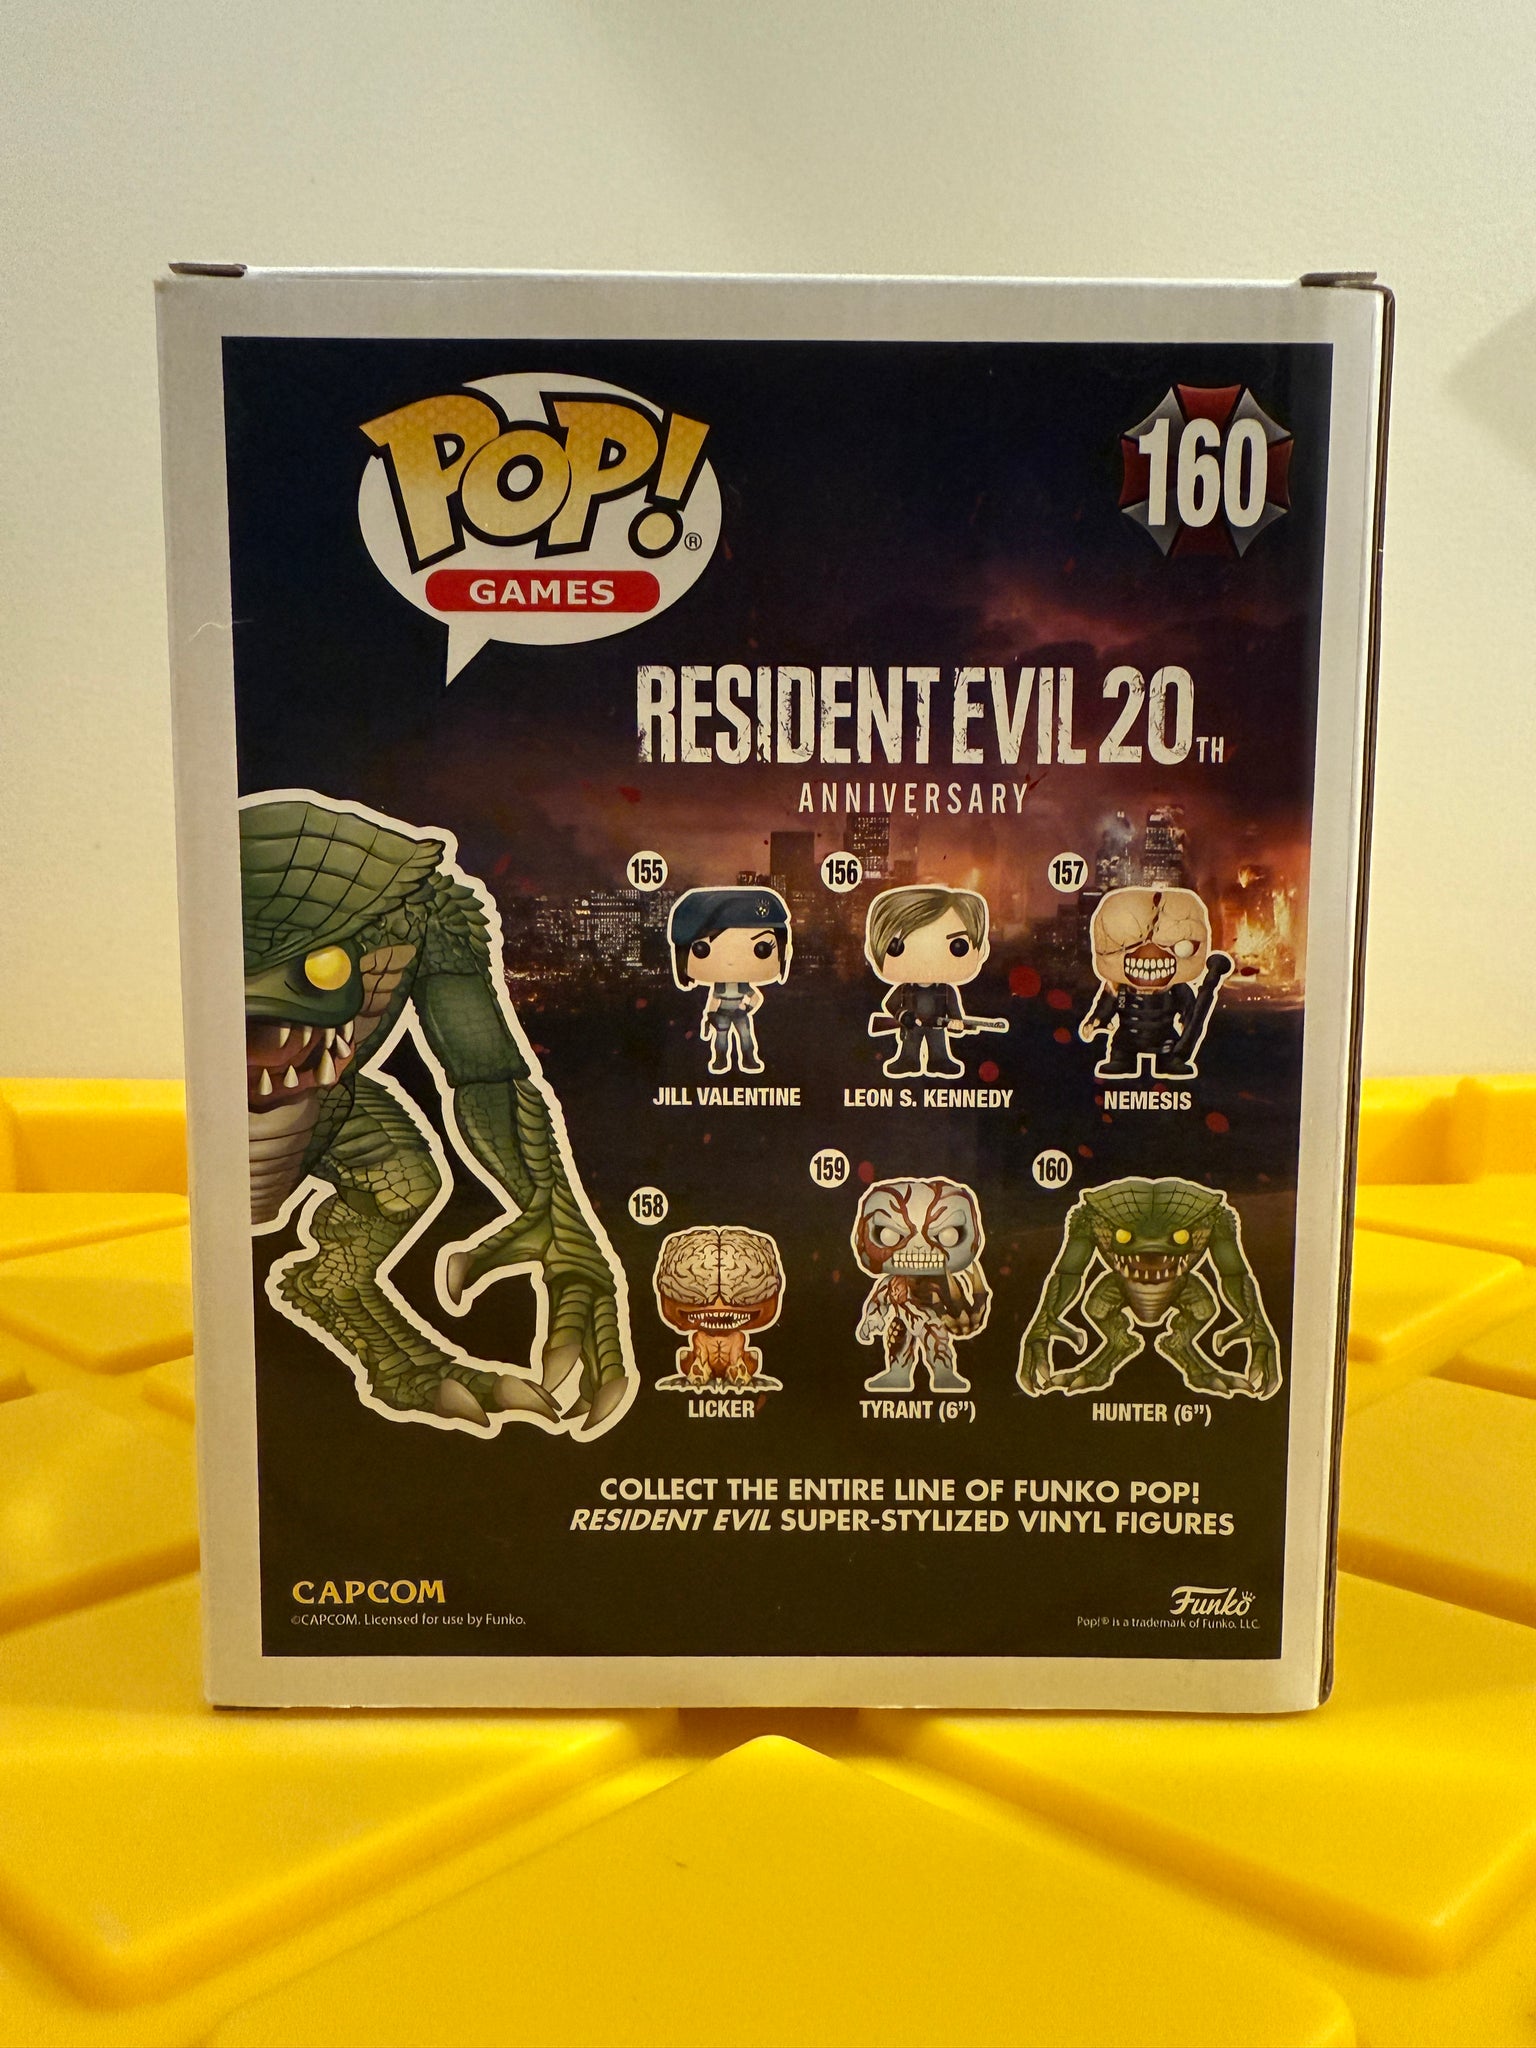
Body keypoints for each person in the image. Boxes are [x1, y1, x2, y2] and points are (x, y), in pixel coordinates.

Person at [864, 885, 1000, 1079]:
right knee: (909, 1050)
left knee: (939, 1050)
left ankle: (939, 1062)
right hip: (912, 1027)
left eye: (958, 946)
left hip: (937, 1028)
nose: (927, 960)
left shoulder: (946, 991)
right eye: (896, 946)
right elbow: (890, 1004)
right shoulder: (905, 989)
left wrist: (957, 1024)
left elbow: (955, 1014)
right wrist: (904, 1016)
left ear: (982, 950)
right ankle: (907, 1061)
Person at [669, 886, 792, 1075]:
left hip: (740, 1013)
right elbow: (713, 1001)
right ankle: (720, 1060)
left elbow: (756, 998)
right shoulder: (720, 986)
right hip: (722, 1014)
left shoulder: (743, 985)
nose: (731, 961)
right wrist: (710, 1015)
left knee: (745, 1037)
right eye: (702, 949)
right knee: (721, 1039)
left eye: (762, 949)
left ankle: (749, 1059)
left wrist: (746, 1008)